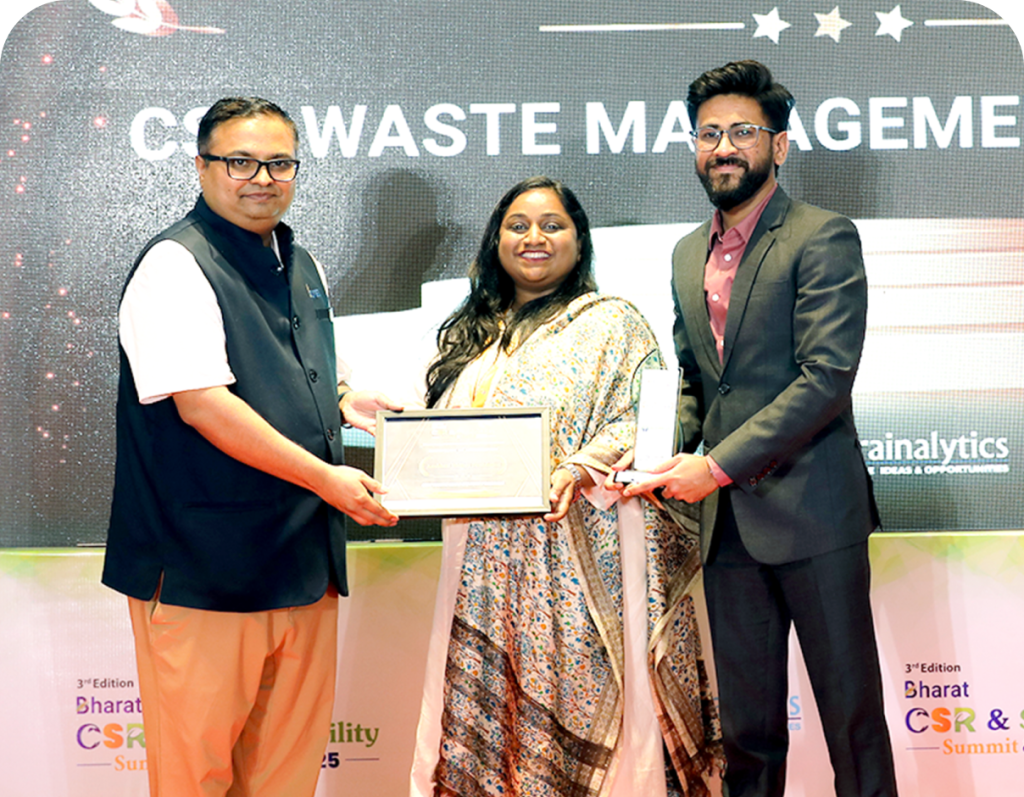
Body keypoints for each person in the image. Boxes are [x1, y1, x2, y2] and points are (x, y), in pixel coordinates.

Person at [102, 97, 399, 797]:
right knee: (195, 778)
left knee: (284, 778)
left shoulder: (300, 261)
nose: (262, 178)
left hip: (302, 563)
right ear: (201, 166)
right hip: (204, 569)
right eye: (240, 161)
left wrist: (344, 400)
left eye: (279, 162)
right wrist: (328, 478)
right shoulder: (175, 264)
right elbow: (205, 406)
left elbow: (291, 369)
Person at [616, 61, 898, 796]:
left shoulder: (822, 236)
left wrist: (713, 466)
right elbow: (695, 382)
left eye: (742, 131)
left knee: (852, 722)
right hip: (728, 530)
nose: (723, 148)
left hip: (815, 513)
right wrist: (648, 450)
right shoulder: (687, 253)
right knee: (747, 732)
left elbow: (825, 378)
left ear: (779, 145)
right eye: (708, 134)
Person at [409, 176, 721, 797]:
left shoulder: (613, 323)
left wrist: (578, 467)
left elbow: (646, 422)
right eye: (518, 225)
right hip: (482, 562)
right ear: (496, 241)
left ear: (580, 243)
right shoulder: (473, 336)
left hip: (586, 554)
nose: (535, 237)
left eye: (553, 225)